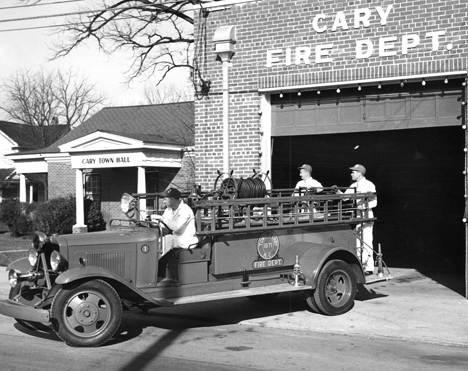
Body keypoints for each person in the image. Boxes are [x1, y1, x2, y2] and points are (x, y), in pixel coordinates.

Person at [335, 164, 377, 275]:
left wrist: (364, 206)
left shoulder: (369, 185)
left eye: (353, 172)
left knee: (367, 241)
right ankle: (359, 266)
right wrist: (337, 191)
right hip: (357, 216)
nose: (351, 174)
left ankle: (368, 267)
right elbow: (345, 198)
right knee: (357, 241)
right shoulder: (353, 185)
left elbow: (374, 201)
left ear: (360, 173)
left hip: (366, 215)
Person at [152, 187, 198, 253]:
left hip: (187, 239)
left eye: (165, 199)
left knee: (169, 239)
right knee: (158, 240)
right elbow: (164, 224)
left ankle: (154, 261)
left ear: (172, 200)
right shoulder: (169, 209)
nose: (163, 201)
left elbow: (176, 227)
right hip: (176, 238)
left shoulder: (185, 210)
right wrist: (154, 222)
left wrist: (162, 219)